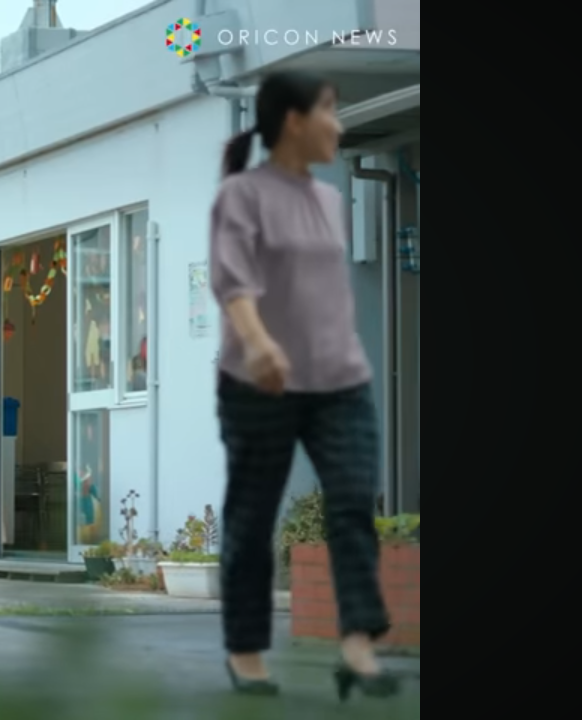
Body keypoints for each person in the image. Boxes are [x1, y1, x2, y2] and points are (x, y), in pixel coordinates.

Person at [210, 70, 397, 700]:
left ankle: (358, 646)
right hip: (259, 380)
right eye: (329, 112)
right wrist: (260, 343)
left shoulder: (329, 200)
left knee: (352, 504)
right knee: (252, 515)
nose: (338, 126)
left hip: (340, 381)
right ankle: (246, 653)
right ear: (294, 121)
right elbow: (233, 281)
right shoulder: (241, 196)